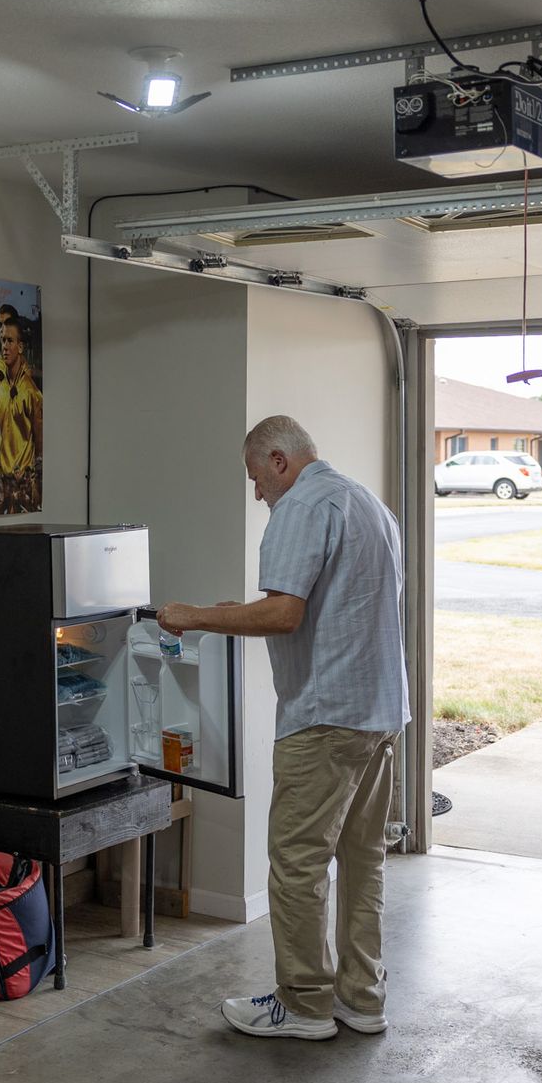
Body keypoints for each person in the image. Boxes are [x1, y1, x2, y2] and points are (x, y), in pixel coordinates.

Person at [158, 415, 407, 1041]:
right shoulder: (368, 504)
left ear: (277, 460)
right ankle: (362, 996)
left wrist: (196, 618)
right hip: (378, 714)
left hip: (323, 719)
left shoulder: (301, 506)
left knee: (296, 865)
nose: (257, 494)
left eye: (255, 480)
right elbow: (328, 603)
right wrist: (225, 612)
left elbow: (285, 613)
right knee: (362, 860)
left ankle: (303, 1005)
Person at [0, 312, 42, 513]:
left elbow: (40, 443)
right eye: (3, 340)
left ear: (20, 347)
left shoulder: (31, 393)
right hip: (0, 482)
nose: (4, 346)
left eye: (10, 341)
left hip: (23, 485)